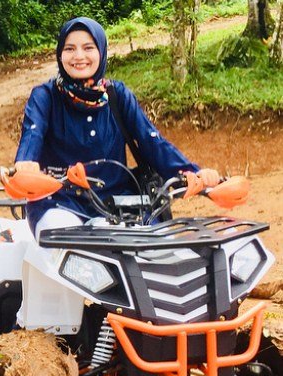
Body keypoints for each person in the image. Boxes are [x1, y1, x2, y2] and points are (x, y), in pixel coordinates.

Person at [13, 17, 220, 238]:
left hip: (116, 203)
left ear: (101, 51)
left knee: (146, 247)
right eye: (70, 48)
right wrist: (25, 164)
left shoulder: (117, 95)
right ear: (60, 54)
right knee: (65, 241)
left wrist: (193, 173)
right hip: (58, 201)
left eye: (88, 48)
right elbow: (32, 134)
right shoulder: (45, 96)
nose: (79, 56)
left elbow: (151, 140)